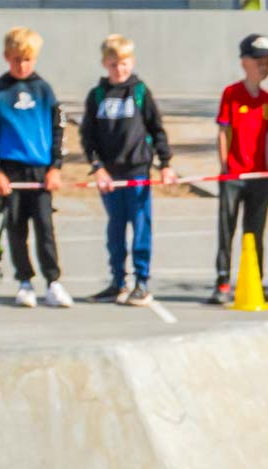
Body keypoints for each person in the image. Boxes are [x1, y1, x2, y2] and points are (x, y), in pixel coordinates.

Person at [79, 33, 176, 307]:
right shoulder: (96, 96)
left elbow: (157, 129)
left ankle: (141, 282)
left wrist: (165, 164)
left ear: (131, 62)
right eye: (113, 64)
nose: (119, 69)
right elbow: (88, 138)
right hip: (110, 176)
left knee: (141, 226)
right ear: (104, 64)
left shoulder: (140, 92)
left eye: (123, 63)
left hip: (138, 173)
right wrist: (98, 168)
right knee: (115, 229)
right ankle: (117, 280)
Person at [0, 27, 67, 310]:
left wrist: (55, 167)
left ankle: (53, 282)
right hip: (11, 172)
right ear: (7, 57)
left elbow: (59, 129)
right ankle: (24, 281)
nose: (22, 65)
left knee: (45, 227)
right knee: (16, 228)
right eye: (17, 59)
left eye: (28, 59)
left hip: (40, 172)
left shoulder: (44, 90)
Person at [208, 33, 268, 307]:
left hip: (259, 176)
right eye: (259, 60)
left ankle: (255, 280)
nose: (264, 66)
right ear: (245, 62)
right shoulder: (231, 94)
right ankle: (222, 280)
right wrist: (225, 167)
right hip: (234, 175)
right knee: (227, 228)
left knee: (255, 230)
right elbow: (224, 131)